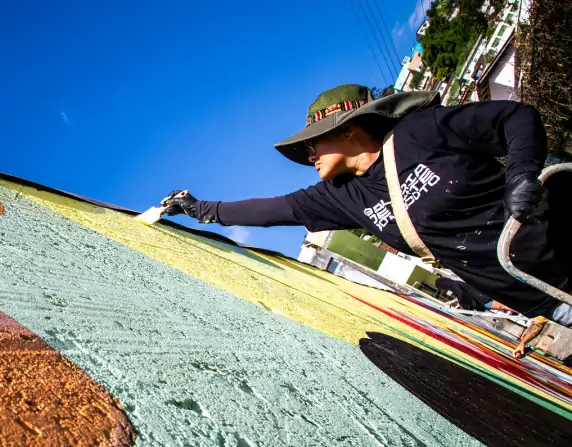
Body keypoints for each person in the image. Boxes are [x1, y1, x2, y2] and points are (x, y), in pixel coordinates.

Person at [161, 84, 572, 325]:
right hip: (546, 300)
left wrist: (520, 175)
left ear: (350, 130)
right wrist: (199, 209)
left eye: (313, 142)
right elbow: (269, 210)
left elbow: (514, 118)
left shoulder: (421, 132)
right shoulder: (338, 197)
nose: (308, 155)